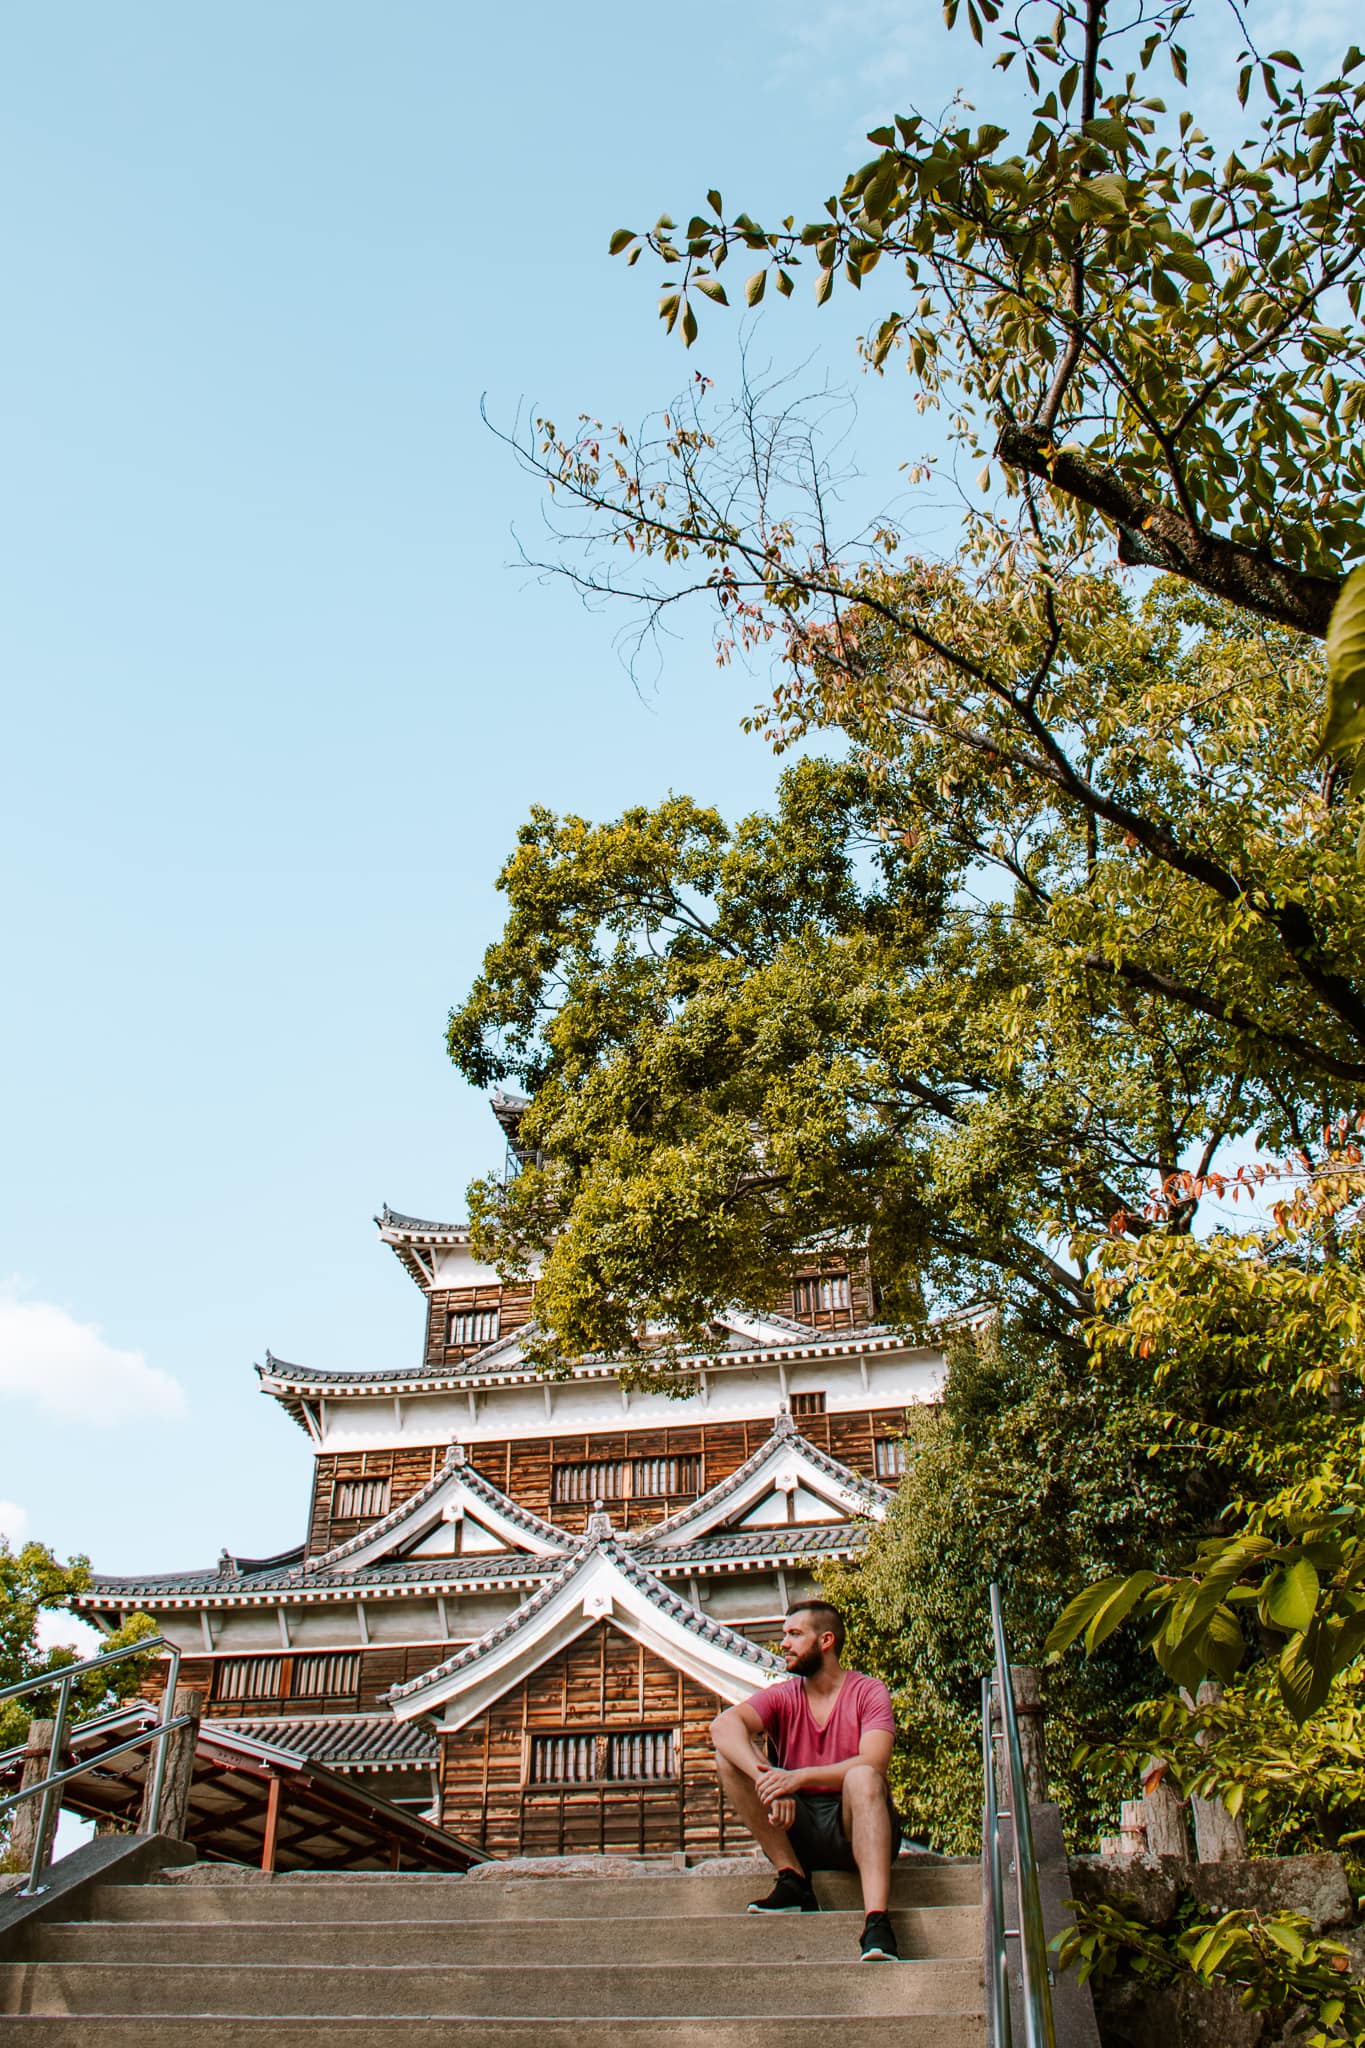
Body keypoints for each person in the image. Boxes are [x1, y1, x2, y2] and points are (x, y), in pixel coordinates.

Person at [709, 1598, 902, 1962]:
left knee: (863, 1776)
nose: (783, 1643)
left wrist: (796, 1779)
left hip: (856, 1825)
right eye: (785, 1635)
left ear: (825, 1641)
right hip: (798, 1829)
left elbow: (875, 1761)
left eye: (795, 1634)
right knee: (729, 1757)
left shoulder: (869, 1691)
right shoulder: (783, 1696)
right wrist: (768, 1779)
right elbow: (723, 1727)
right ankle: (793, 1879)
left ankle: (877, 1922)